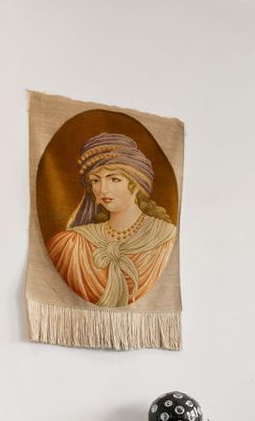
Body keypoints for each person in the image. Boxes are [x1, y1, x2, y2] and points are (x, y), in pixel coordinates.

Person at [45, 132, 178, 308]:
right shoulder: (72, 245)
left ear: (136, 185)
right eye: (95, 180)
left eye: (114, 179)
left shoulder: (166, 239)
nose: (103, 189)